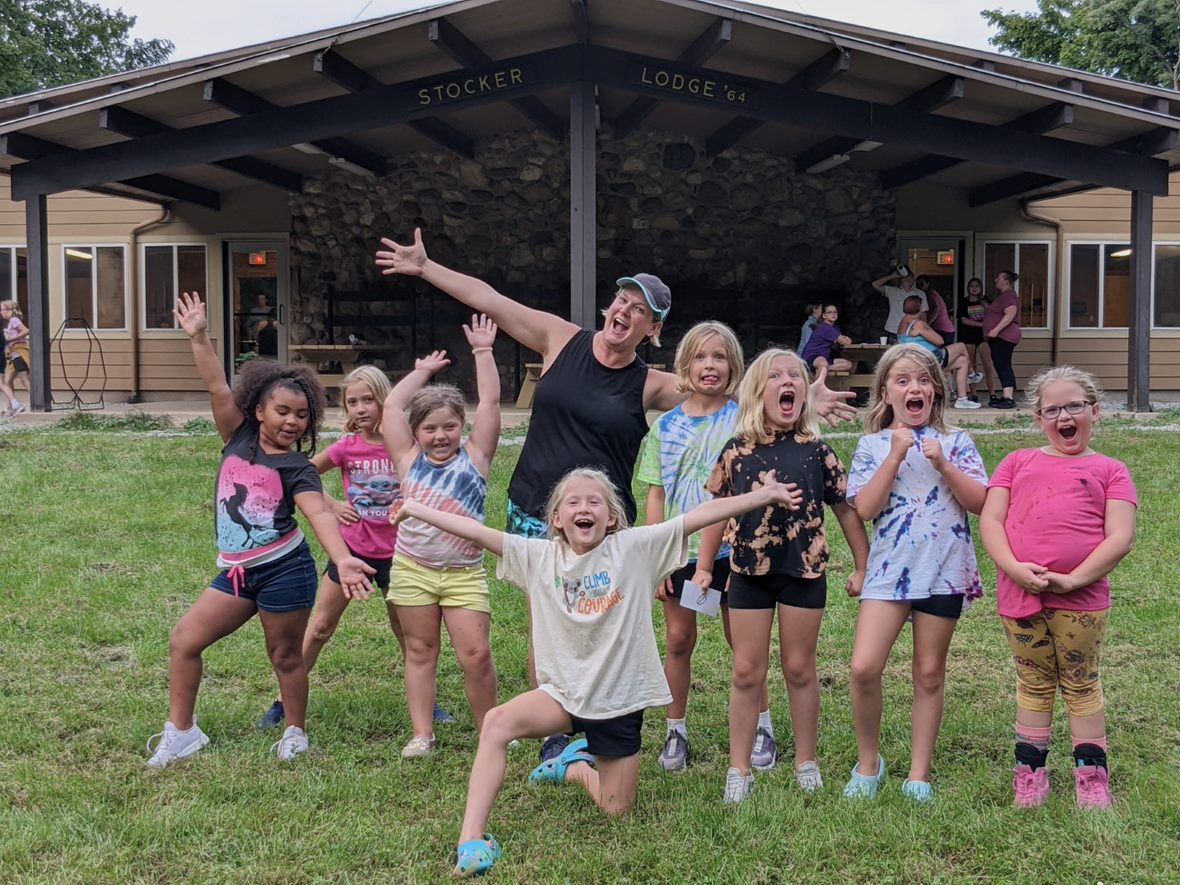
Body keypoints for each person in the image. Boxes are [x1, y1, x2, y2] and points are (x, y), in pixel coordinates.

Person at [375, 228, 856, 763]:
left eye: (640, 309)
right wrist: (425, 267)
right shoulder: (562, 339)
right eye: (621, 300)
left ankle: (597, 716)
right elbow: (490, 298)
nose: (625, 310)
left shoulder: (652, 384)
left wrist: (801, 391)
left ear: (653, 329)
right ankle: (557, 732)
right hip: (537, 510)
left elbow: (726, 386)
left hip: (601, 523)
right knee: (548, 621)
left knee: (598, 618)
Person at [391, 465, 805, 878]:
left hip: (619, 701)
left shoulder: (634, 548)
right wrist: (414, 508)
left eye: (595, 502)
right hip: (561, 696)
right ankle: (472, 839)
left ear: (612, 517)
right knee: (497, 723)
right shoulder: (539, 556)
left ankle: (571, 767)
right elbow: (475, 531)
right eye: (572, 502)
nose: (583, 508)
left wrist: (763, 496)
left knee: (615, 811)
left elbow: (700, 515)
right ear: (556, 519)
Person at [146, 292, 374, 768]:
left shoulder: (298, 468)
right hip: (235, 574)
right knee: (184, 640)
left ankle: (294, 732)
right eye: (283, 411)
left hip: (284, 571)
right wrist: (199, 336)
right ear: (258, 412)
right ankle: (183, 732)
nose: (292, 421)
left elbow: (318, 514)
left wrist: (342, 557)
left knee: (285, 655)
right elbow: (214, 385)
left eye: (302, 414)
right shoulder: (238, 437)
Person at [701, 348, 869, 803]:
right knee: (745, 671)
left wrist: (862, 564)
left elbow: (847, 512)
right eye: (775, 376)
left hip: (804, 571)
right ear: (759, 391)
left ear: (803, 393)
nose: (787, 381)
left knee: (799, 668)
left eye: (794, 375)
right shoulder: (736, 452)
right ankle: (739, 769)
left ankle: (806, 761)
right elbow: (716, 511)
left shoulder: (818, 451)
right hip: (748, 574)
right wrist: (702, 567)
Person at [255, 366, 453, 729]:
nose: (360, 409)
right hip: (352, 552)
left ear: (385, 401)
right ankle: (284, 700)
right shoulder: (346, 447)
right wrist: (330, 504)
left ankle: (429, 701)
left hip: (401, 553)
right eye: (352, 402)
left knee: (407, 631)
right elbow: (303, 474)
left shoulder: (407, 444)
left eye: (368, 400)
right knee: (319, 627)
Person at [980, 366, 1136, 809]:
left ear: (1095, 411)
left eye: (1074, 407)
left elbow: (1119, 536)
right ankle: (1030, 776)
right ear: (1038, 417)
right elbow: (991, 520)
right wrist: (1012, 568)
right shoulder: (1016, 461)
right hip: (1020, 595)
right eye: (1053, 409)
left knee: (1081, 684)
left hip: (1082, 601)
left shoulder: (1111, 469)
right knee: (1033, 683)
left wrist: (1075, 578)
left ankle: (1092, 779)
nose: (1064, 416)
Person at [843, 344, 989, 801]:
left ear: (937, 391)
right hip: (888, 573)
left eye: (924, 380)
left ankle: (918, 774)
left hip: (943, 572)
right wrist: (894, 453)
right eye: (903, 380)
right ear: (885, 392)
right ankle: (870, 763)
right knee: (864, 667)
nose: (915, 388)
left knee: (929, 673)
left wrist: (942, 461)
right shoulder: (871, 446)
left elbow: (980, 503)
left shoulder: (958, 442)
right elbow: (864, 508)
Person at [635, 321, 771, 772]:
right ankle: (675, 730)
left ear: (734, 365)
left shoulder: (745, 422)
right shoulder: (664, 428)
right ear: (684, 364)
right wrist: (657, 558)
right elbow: (655, 493)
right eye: (699, 356)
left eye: (719, 356)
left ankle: (762, 726)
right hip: (680, 551)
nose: (709, 366)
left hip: (738, 549)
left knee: (743, 643)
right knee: (678, 639)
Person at [379, 317, 501, 758]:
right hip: (413, 569)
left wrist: (483, 351)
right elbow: (391, 407)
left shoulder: (476, 456)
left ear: (462, 427)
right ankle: (422, 734)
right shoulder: (408, 459)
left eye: (449, 426)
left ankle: (491, 731)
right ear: (416, 434)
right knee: (419, 650)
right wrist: (422, 371)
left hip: (464, 574)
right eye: (430, 428)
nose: (440, 436)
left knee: (475, 655)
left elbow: (489, 399)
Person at [897, 295, 982, 410]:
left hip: (919, 362)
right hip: (931, 361)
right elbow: (939, 341)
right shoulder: (919, 324)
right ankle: (972, 375)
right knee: (961, 346)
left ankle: (962, 399)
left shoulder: (902, 323)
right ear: (920, 308)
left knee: (962, 361)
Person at [985, 270, 1022, 409]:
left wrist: (996, 330)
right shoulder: (1004, 296)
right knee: (1001, 364)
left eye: (998, 278)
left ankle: (1008, 398)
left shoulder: (1008, 296)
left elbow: (1010, 313)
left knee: (1003, 365)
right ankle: (1006, 396)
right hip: (1001, 336)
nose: (996, 280)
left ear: (1006, 281)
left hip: (1004, 336)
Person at [957, 277, 995, 402]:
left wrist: (985, 306)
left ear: (981, 288)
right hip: (968, 336)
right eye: (971, 286)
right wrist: (980, 325)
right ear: (968, 288)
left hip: (983, 337)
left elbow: (993, 315)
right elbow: (963, 320)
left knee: (988, 365)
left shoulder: (985, 300)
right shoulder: (964, 302)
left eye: (976, 286)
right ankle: (973, 393)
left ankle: (992, 393)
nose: (974, 288)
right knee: (971, 366)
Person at [872, 265, 927, 342]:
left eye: (910, 277)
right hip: (893, 330)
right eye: (906, 278)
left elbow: (924, 315)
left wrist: (924, 330)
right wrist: (892, 276)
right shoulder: (893, 291)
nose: (908, 280)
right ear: (901, 279)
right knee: (894, 353)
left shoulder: (920, 293)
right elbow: (875, 284)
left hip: (912, 330)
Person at [799, 304, 853, 374]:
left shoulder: (834, 328)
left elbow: (845, 340)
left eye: (835, 312)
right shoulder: (824, 327)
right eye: (830, 312)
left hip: (824, 357)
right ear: (824, 315)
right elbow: (843, 340)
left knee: (848, 364)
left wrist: (847, 340)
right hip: (811, 356)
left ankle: (826, 368)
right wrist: (845, 339)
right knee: (822, 363)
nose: (833, 314)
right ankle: (818, 382)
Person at [0, 299, 30, 416]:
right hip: (12, 354)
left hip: (19, 352)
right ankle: (10, 408)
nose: (0, 312)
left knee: (24, 379)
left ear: (9, 310)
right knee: (7, 381)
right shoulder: (10, 322)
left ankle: (37, 401)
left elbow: (26, 330)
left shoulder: (14, 320)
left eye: (1, 309)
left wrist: (10, 339)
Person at [914, 275, 956, 344]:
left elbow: (936, 310)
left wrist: (927, 325)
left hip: (942, 330)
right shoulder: (929, 294)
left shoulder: (931, 294)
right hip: (945, 329)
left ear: (928, 283)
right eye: (917, 285)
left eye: (922, 284)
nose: (919, 287)